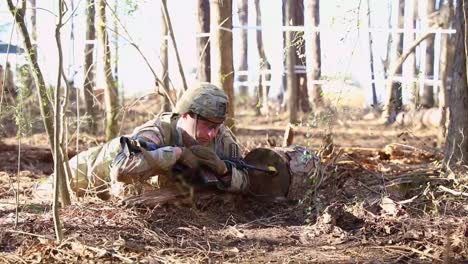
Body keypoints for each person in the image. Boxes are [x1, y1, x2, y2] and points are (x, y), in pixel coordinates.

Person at [65, 82, 248, 200]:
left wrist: (224, 171)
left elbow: (247, 180)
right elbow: (122, 169)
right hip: (86, 170)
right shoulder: (157, 130)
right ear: (185, 115)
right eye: (207, 125)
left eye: (217, 126)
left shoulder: (222, 139)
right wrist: (177, 154)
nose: (212, 134)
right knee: (48, 195)